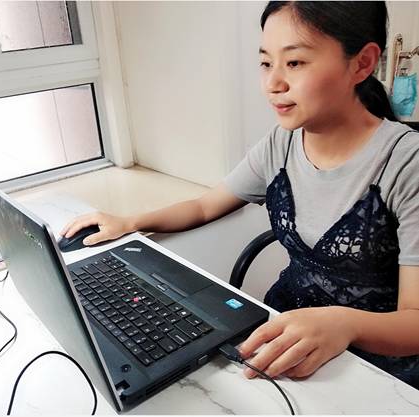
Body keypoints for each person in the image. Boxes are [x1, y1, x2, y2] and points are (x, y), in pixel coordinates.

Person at [61, 1, 419, 389]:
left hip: (378, 364)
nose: (273, 83)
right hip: (283, 329)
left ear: (362, 63)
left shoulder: (406, 164)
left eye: (295, 63)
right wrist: (130, 222)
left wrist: (344, 324)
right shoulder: (281, 144)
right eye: (266, 63)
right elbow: (204, 206)